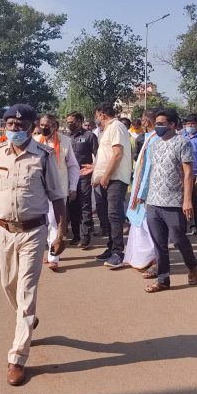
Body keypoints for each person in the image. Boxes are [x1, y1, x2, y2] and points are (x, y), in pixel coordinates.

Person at [0, 103, 66, 386]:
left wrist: (61, 233)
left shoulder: (44, 157)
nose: (14, 129)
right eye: (10, 124)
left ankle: (17, 356)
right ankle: (28, 319)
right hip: (3, 232)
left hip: (33, 232)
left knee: (26, 290)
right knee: (7, 283)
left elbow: (57, 197)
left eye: (20, 126)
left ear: (32, 127)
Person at [136, 109, 197, 292]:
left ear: (172, 124)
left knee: (178, 239)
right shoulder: (154, 144)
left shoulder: (183, 143)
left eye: (162, 123)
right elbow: (150, 171)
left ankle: (192, 264)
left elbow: (188, 174)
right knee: (159, 243)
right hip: (153, 201)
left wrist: (187, 200)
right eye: (157, 123)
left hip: (174, 202)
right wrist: (143, 193)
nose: (158, 127)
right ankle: (163, 280)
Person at [85, 102, 132, 269]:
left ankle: (118, 252)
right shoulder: (107, 130)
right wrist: (95, 168)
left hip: (115, 178)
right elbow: (106, 156)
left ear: (102, 114)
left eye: (96, 116)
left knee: (114, 214)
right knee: (108, 214)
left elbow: (118, 154)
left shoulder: (116, 126)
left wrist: (105, 175)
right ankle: (111, 247)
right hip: (108, 177)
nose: (96, 119)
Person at [35, 114, 79, 270]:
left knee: (54, 222)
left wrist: (73, 187)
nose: (44, 127)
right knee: (42, 223)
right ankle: (47, 251)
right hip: (38, 189)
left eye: (48, 125)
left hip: (58, 189)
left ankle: (54, 256)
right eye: (42, 124)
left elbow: (73, 166)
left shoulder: (65, 142)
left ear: (55, 126)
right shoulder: (34, 141)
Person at [124, 110, 158, 272]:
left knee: (147, 225)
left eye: (146, 120)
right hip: (140, 184)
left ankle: (152, 258)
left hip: (148, 189)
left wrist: (143, 192)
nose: (143, 123)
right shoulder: (148, 137)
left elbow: (149, 167)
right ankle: (138, 258)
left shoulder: (156, 138)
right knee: (138, 224)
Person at [66, 111, 98, 249]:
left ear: (79, 121)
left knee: (85, 206)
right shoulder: (66, 138)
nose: (69, 125)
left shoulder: (89, 136)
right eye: (68, 122)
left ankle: (85, 238)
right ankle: (76, 235)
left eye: (72, 122)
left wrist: (95, 169)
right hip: (69, 177)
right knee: (72, 207)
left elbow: (99, 155)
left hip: (84, 176)